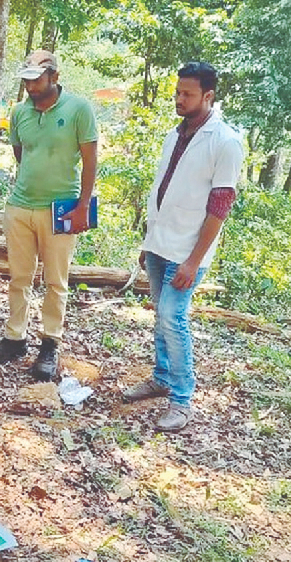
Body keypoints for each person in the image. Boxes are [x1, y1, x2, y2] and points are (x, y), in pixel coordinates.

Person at [123, 62, 243, 431]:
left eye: (187, 94)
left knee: (172, 318)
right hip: (160, 244)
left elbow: (219, 208)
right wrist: (148, 242)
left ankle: (182, 399)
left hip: (188, 251)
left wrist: (193, 261)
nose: (179, 99)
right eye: (177, 92)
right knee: (160, 314)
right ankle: (161, 377)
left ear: (208, 96)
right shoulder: (173, 136)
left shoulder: (225, 142)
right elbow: (164, 192)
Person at [0, 50, 98, 382]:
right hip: (20, 205)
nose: (30, 87)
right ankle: (14, 337)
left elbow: (90, 161)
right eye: (26, 81)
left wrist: (82, 206)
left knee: (55, 280)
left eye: (36, 80)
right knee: (19, 277)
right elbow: (22, 153)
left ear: (54, 77)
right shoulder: (20, 112)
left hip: (61, 206)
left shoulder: (79, 109)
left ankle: (50, 343)